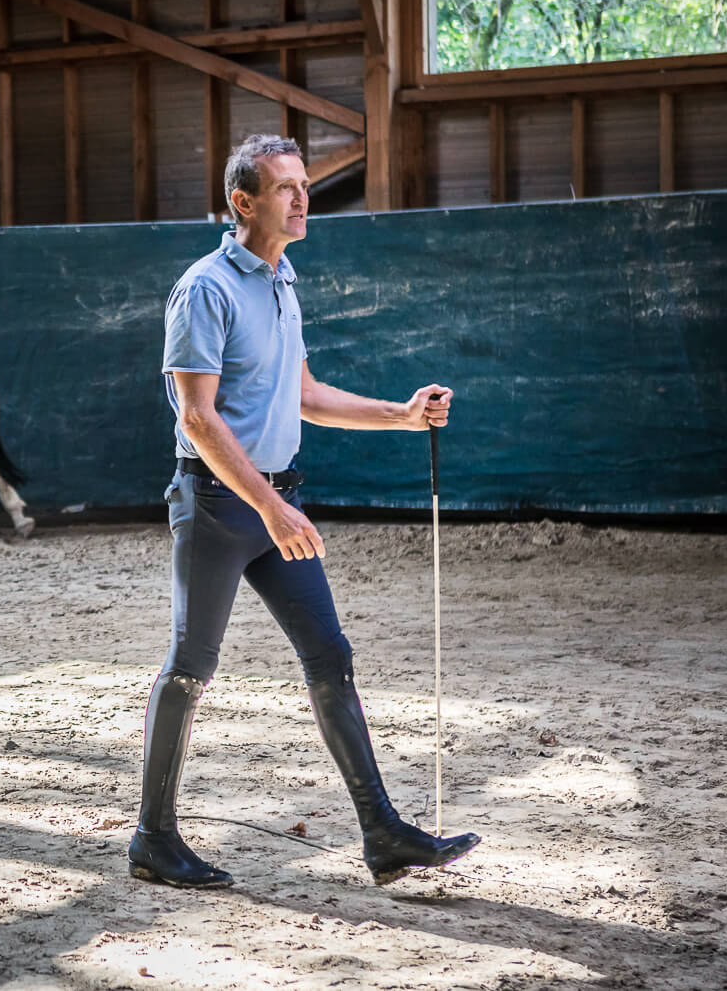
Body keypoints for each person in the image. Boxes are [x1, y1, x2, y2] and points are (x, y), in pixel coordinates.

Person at [130, 133, 481, 890]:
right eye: (285, 187)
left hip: (274, 500)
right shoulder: (206, 288)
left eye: (303, 185)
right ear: (242, 202)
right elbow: (198, 418)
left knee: (331, 656)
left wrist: (401, 414)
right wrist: (272, 508)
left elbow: (304, 393)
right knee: (190, 668)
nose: (301, 197)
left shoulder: (284, 282)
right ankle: (153, 837)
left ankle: (383, 834)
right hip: (219, 507)